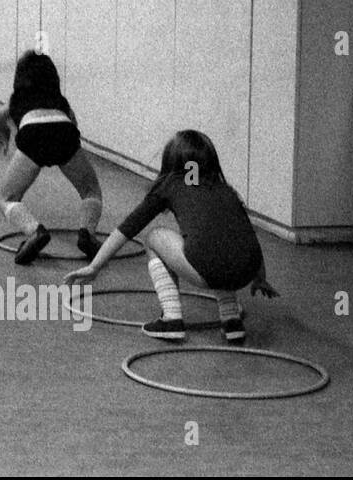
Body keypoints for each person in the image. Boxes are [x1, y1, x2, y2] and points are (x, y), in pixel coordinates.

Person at [66, 130, 279, 345]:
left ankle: (171, 320)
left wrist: (95, 266)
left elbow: (128, 228)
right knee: (219, 241)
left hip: (211, 269)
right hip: (247, 270)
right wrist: (260, 277)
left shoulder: (171, 184)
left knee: (154, 237)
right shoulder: (226, 190)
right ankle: (231, 321)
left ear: (170, 162)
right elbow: (245, 234)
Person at [0, 50, 104, 264]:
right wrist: (65, 151)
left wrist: (5, 132)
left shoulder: (17, 99)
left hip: (32, 137)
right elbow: (73, 124)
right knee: (90, 191)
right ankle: (88, 232)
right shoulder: (59, 100)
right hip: (64, 135)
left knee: (7, 198)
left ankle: (34, 231)